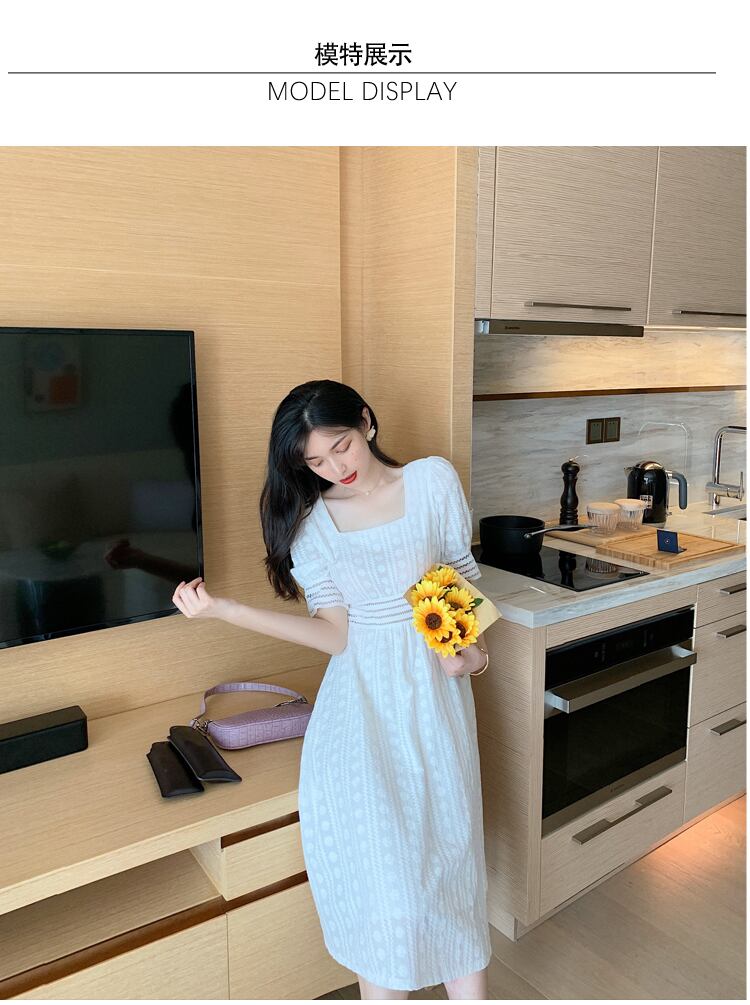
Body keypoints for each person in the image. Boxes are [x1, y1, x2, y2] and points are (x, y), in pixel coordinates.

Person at [171, 379, 492, 1000]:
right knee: (384, 889)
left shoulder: (432, 480)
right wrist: (225, 610)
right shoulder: (312, 525)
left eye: (340, 446)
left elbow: (457, 576)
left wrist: (472, 654)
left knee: (452, 867)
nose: (333, 468)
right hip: (359, 718)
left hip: (435, 706)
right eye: (314, 462)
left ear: (366, 422)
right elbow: (336, 635)